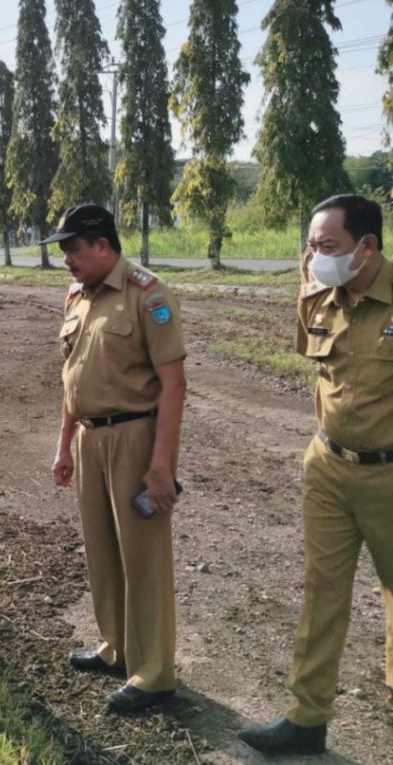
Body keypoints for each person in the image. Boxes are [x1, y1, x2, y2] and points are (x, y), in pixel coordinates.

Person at [239, 194, 393, 756]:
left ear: (367, 247)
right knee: (321, 592)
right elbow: (310, 350)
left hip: (389, 477)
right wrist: (307, 293)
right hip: (328, 466)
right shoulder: (321, 294)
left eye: (327, 246)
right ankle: (307, 718)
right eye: (311, 245)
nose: (315, 256)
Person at [48, 203, 187, 714]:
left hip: (134, 436)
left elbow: (174, 384)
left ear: (102, 246)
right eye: (63, 250)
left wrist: (161, 465)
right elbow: (72, 377)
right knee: (102, 549)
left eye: (72, 249)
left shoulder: (148, 295)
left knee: (143, 558)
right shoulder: (77, 296)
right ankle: (116, 649)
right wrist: (64, 444)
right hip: (89, 437)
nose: (66, 259)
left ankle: (154, 675)